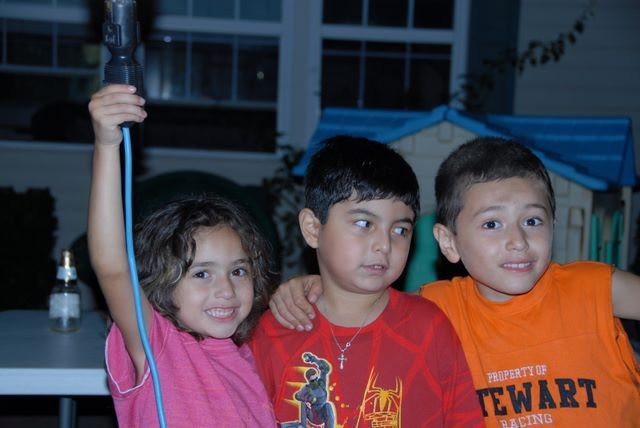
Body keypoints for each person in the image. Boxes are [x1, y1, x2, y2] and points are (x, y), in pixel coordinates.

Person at [270, 137, 640, 427]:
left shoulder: (593, 287)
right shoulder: (437, 310)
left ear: (553, 225)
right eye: (492, 224)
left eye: (532, 221)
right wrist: (310, 285)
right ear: (449, 243)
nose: (518, 240)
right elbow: (361, 299)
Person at [249, 136, 485, 427]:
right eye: (364, 224)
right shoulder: (271, 334)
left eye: (400, 230)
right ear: (312, 229)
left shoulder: (429, 327)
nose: (383, 244)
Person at [87, 84, 277, 427]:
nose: (226, 290)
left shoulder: (245, 359)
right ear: (164, 282)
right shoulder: (158, 345)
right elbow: (112, 266)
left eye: (238, 271)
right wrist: (106, 145)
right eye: (202, 273)